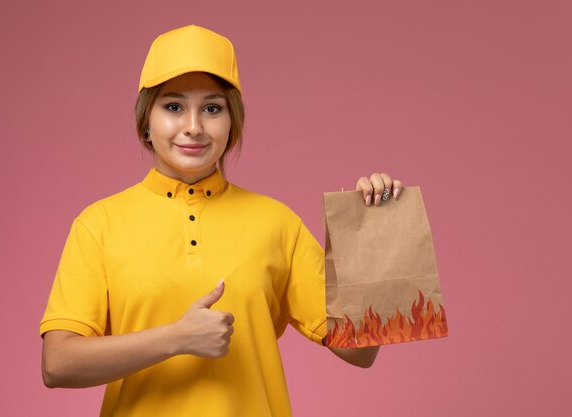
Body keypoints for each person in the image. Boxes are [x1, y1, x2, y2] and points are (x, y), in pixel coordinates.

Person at [40, 24, 404, 417]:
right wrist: (176, 338)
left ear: (233, 124)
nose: (193, 126)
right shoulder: (99, 224)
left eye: (212, 108)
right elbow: (57, 363)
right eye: (173, 106)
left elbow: (361, 351)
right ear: (147, 120)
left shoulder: (277, 223)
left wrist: (372, 238)